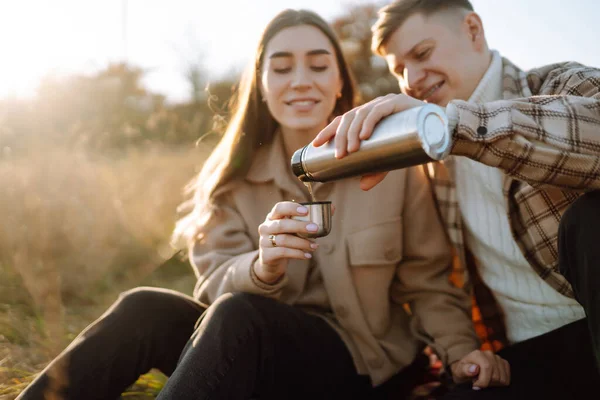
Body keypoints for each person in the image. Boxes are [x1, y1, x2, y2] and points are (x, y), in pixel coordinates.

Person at [17, 8, 505, 400]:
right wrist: (262, 267)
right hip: (244, 351)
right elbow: (211, 285)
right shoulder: (230, 179)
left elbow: (429, 280)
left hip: (361, 367)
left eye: (318, 65)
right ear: (262, 82)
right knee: (146, 306)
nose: (300, 80)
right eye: (282, 66)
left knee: (238, 316)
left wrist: (461, 352)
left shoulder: (390, 164)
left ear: (340, 82)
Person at [313, 0, 600, 398]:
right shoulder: (424, 158)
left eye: (422, 54)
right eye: (399, 70)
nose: (411, 79)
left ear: (472, 29)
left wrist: (454, 126)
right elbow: (428, 279)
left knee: (590, 216)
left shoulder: (561, 84)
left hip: (590, 325)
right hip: (522, 356)